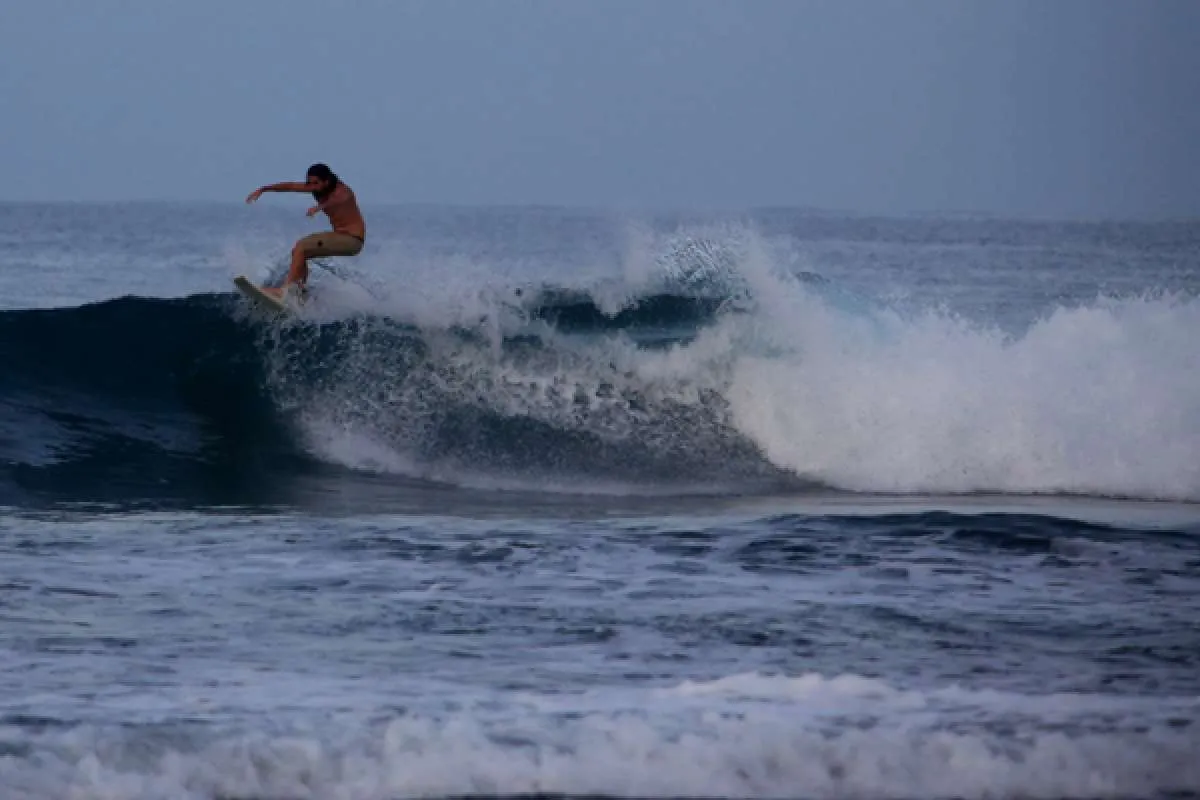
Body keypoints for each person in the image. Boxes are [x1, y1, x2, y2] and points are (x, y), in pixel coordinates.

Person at [245, 163, 366, 297]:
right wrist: (264, 189)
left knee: (302, 247)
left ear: (326, 181)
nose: (312, 187)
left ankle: (284, 291)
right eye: (309, 183)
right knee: (298, 252)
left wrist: (319, 207)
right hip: (340, 236)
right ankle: (300, 292)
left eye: (315, 183)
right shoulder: (318, 188)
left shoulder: (343, 191)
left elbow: (337, 200)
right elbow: (290, 186)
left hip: (352, 239)